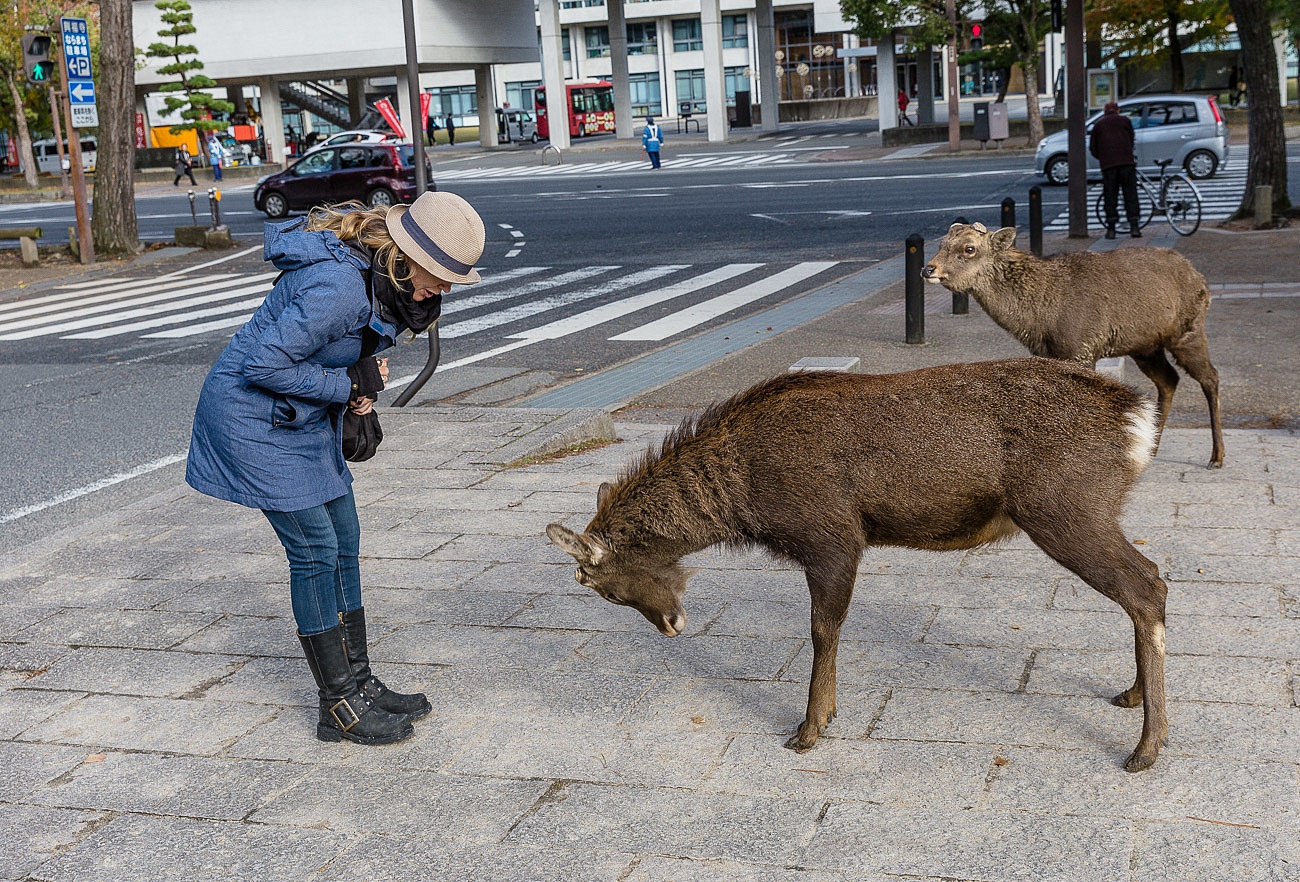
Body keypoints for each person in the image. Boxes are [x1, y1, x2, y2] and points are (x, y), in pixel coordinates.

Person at [185, 191, 486, 746]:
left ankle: (361, 682)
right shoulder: (338, 287)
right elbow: (263, 362)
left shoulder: (376, 281)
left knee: (344, 537)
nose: (444, 289)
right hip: (253, 421)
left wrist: (359, 374)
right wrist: (346, 385)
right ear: (405, 253)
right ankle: (337, 705)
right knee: (316, 550)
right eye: (441, 274)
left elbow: (332, 347)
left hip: (298, 417)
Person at [1089, 101, 1141, 239]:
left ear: (1105, 111)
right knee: (1130, 195)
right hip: (1126, 163)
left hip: (1108, 165)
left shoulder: (1098, 125)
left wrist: (1103, 156)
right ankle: (1134, 226)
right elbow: (1131, 139)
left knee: (1110, 197)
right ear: (1117, 110)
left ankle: (1111, 228)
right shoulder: (1125, 121)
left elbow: (1093, 148)